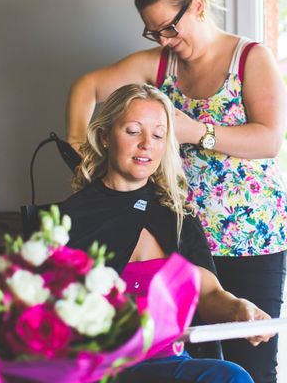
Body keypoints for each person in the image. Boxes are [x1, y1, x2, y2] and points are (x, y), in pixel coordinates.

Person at [66, 0, 287, 382]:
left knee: (253, 361)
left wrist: (197, 132)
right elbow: (86, 87)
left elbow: (270, 139)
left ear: (199, 6)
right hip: (182, 232)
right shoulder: (160, 64)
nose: (164, 40)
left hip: (249, 235)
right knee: (193, 356)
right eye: (155, 33)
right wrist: (82, 157)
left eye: (169, 28)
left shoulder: (250, 59)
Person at [61, 84, 273, 383]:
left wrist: (240, 309)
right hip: (96, 370)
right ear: (106, 136)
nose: (147, 143)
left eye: (159, 135)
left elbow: (209, 294)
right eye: (134, 131)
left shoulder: (178, 217)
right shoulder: (69, 219)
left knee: (229, 376)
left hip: (167, 365)